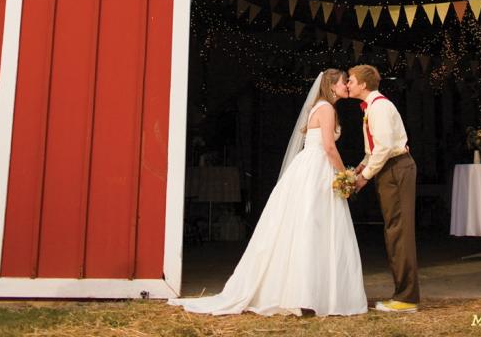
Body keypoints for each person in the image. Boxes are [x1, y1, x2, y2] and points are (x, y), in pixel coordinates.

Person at [169, 69, 368, 317]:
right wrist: (344, 175)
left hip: (309, 168)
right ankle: (310, 293)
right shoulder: (326, 108)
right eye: (342, 82)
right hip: (317, 170)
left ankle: (308, 292)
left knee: (309, 226)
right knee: (314, 225)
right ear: (331, 85)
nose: (346, 86)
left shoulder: (320, 106)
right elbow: (328, 146)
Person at [347, 64, 420, 313]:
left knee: (399, 231)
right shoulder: (372, 107)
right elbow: (374, 149)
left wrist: (364, 177)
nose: (348, 84)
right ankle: (404, 294)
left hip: (396, 168)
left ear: (363, 85)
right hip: (389, 168)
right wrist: (359, 168)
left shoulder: (379, 107)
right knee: (394, 230)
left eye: (351, 81)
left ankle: (407, 298)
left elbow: (385, 147)